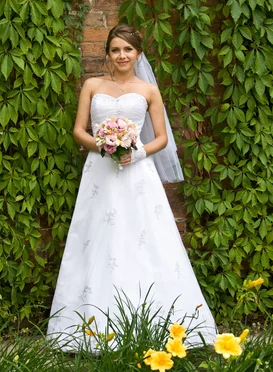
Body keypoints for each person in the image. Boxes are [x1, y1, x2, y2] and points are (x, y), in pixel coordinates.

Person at [47, 24, 216, 346]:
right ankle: (89, 330)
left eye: (128, 49)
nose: (121, 55)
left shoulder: (149, 90)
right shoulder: (92, 85)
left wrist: (134, 153)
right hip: (100, 171)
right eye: (115, 49)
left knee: (144, 239)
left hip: (138, 173)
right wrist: (106, 147)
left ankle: (156, 325)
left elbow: (163, 138)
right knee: (98, 238)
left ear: (138, 53)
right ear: (107, 53)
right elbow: (79, 131)